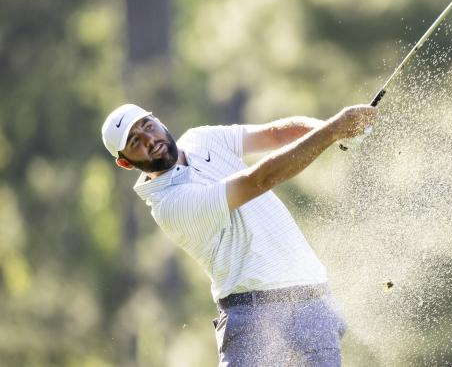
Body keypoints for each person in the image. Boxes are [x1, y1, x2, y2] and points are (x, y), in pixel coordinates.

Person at [101, 102, 376, 366]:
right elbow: (258, 181)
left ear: (158, 121)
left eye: (147, 126)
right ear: (126, 163)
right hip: (255, 315)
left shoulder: (200, 139)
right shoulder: (170, 205)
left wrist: (334, 130)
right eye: (135, 141)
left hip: (313, 302)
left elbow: (276, 134)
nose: (149, 139)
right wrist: (332, 130)